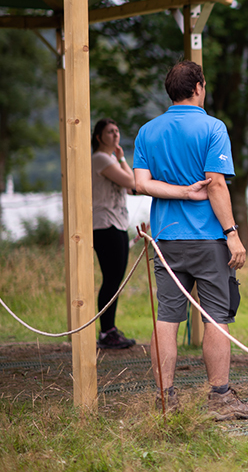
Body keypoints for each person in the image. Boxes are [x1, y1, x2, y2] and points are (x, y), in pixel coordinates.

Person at [133, 60, 248, 420]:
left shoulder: (147, 131)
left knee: (167, 318)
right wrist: (233, 235)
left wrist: (179, 193)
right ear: (199, 87)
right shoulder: (213, 127)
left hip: (165, 239)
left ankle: (166, 399)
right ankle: (220, 398)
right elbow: (217, 183)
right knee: (215, 317)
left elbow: (141, 184)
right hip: (208, 239)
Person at [90, 118, 137, 350]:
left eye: (117, 131)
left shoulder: (111, 159)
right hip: (104, 224)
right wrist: (121, 159)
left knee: (115, 279)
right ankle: (107, 332)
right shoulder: (99, 158)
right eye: (110, 132)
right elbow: (131, 180)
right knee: (111, 279)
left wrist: (120, 157)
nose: (115, 135)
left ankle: (110, 329)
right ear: (99, 137)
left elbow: (132, 187)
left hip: (117, 224)